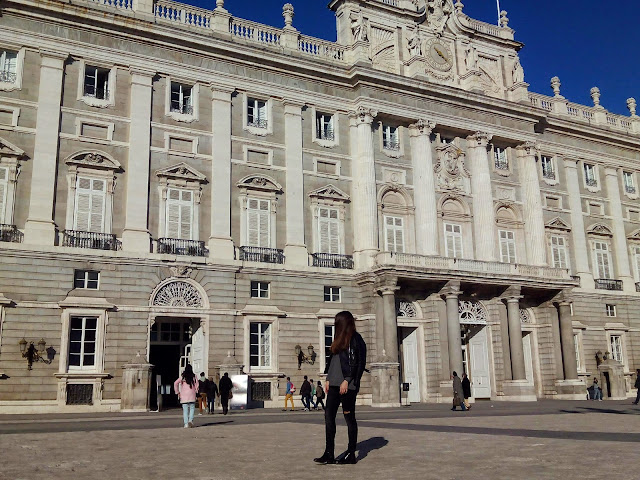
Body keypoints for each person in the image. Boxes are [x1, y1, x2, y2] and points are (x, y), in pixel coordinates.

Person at [314, 311, 366, 466]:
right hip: (334, 384)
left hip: (347, 386)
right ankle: (329, 453)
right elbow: (333, 361)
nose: (335, 324)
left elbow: (358, 362)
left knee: (349, 418)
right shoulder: (337, 340)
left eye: (337, 322)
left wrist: (347, 380)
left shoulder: (356, 339)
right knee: (328, 417)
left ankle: (351, 454)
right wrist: (328, 378)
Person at [173, 364, 199, 428]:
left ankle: (186, 424)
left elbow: (175, 383)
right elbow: (197, 385)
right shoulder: (194, 376)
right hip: (192, 394)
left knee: (185, 410)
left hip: (184, 395)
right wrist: (196, 391)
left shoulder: (183, 377)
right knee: (192, 408)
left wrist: (177, 392)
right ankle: (190, 420)